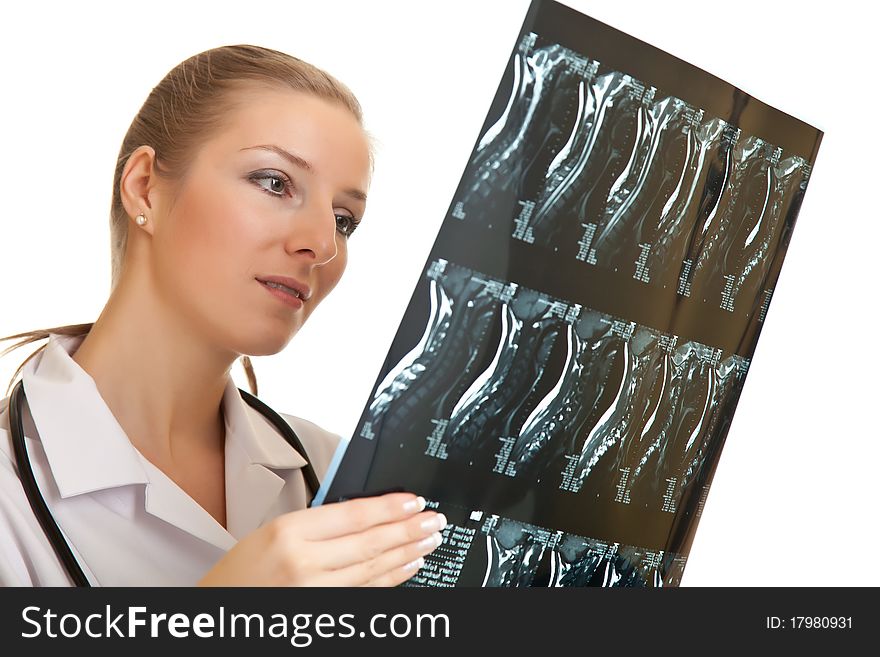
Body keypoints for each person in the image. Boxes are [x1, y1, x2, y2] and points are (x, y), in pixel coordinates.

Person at [0, 44, 447, 586]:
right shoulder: (11, 489)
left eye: (344, 219)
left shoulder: (339, 476)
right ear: (145, 187)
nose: (321, 244)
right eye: (273, 182)